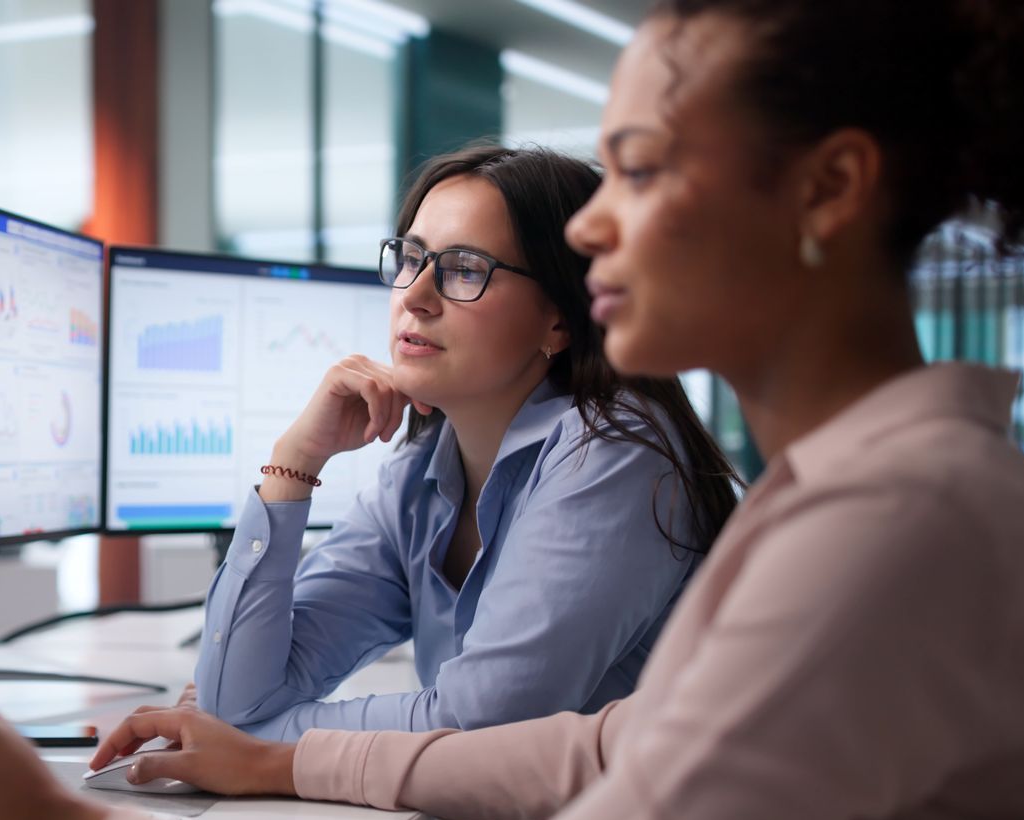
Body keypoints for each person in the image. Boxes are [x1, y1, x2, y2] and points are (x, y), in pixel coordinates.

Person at [0, 1, 1024, 820]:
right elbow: (608, 746)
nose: (588, 223)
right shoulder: (867, 493)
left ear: (828, 188)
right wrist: (283, 749)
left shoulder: (884, 528)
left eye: (638, 165)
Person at [189, 145, 738, 740]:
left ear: (558, 320)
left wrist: (266, 745)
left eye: (465, 269)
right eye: (411, 259)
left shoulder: (614, 453)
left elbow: (484, 726)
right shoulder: (419, 472)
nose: (416, 296)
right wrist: (293, 462)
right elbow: (234, 700)